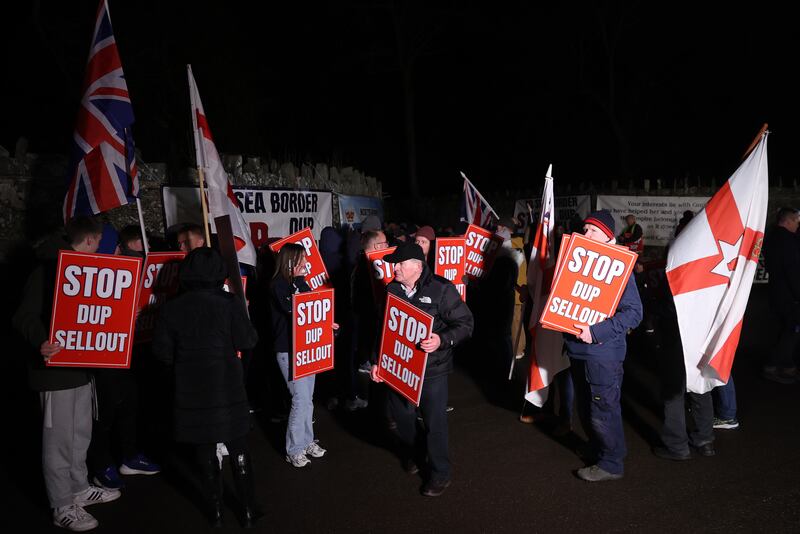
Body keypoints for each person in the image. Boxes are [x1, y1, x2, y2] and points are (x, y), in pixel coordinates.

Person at [13, 215, 121, 532]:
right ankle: (62, 505)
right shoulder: (45, 269)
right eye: (99, 242)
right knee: (58, 441)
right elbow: (23, 316)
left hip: (80, 371)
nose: (100, 247)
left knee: (79, 436)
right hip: (54, 373)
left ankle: (78, 489)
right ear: (90, 239)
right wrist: (41, 341)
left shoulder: (83, 270)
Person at [153, 247, 261, 527]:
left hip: (190, 387)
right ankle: (248, 512)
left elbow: (162, 353)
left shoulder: (171, 308)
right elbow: (247, 341)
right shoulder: (230, 303)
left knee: (204, 450)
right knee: (238, 446)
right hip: (227, 385)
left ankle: (215, 513)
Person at [370, 242, 474, 497]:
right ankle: (415, 454)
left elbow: (466, 323)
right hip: (398, 368)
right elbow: (382, 328)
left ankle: (440, 473)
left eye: (399, 264)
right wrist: (377, 361)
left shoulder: (441, 289)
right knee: (403, 420)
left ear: (417, 266)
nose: (394, 268)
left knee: (434, 423)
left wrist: (442, 340)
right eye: (394, 263)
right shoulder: (392, 289)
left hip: (432, 370)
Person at [566, 210, 642, 482]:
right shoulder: (576, 263)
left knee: (602, 408)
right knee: (586, 406)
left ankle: (611, 463)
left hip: (602, 353)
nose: (586, 234)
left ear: (608, 236)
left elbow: (634, 313)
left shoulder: (617, 267)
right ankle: (600, 447)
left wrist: (596, 332)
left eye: (593, 231)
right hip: (578, 351)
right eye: (584, 230)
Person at [89, 226, 161, 490]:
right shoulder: (94, 274)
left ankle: (129, 456)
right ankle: (100, 464)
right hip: (103, 358)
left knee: (129, 404)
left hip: (126, 355)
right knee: (104, 414)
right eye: (116, 245)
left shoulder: (124, 270)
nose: (120, 250)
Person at [270, 243, 337, 467]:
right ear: (290, 262)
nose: (307, 263)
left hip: (306, 350)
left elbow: (312, 313)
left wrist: (327, 324)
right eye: (302, 259)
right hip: (288, 351)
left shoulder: (301, 282)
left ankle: (306, 440)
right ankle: (294, 448)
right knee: (299, 400)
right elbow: (294, 312)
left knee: (307, 400)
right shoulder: (278, 285)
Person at [761, 207, 800, 384]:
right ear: (788, 221)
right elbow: (793, 271)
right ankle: (776, 365)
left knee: (784, 329)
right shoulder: (787, 241)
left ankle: (786, 364)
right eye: (796, 221)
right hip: (788, 295)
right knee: (790, 330)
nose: (797, 225)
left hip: (776, 291)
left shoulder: (772, 238)